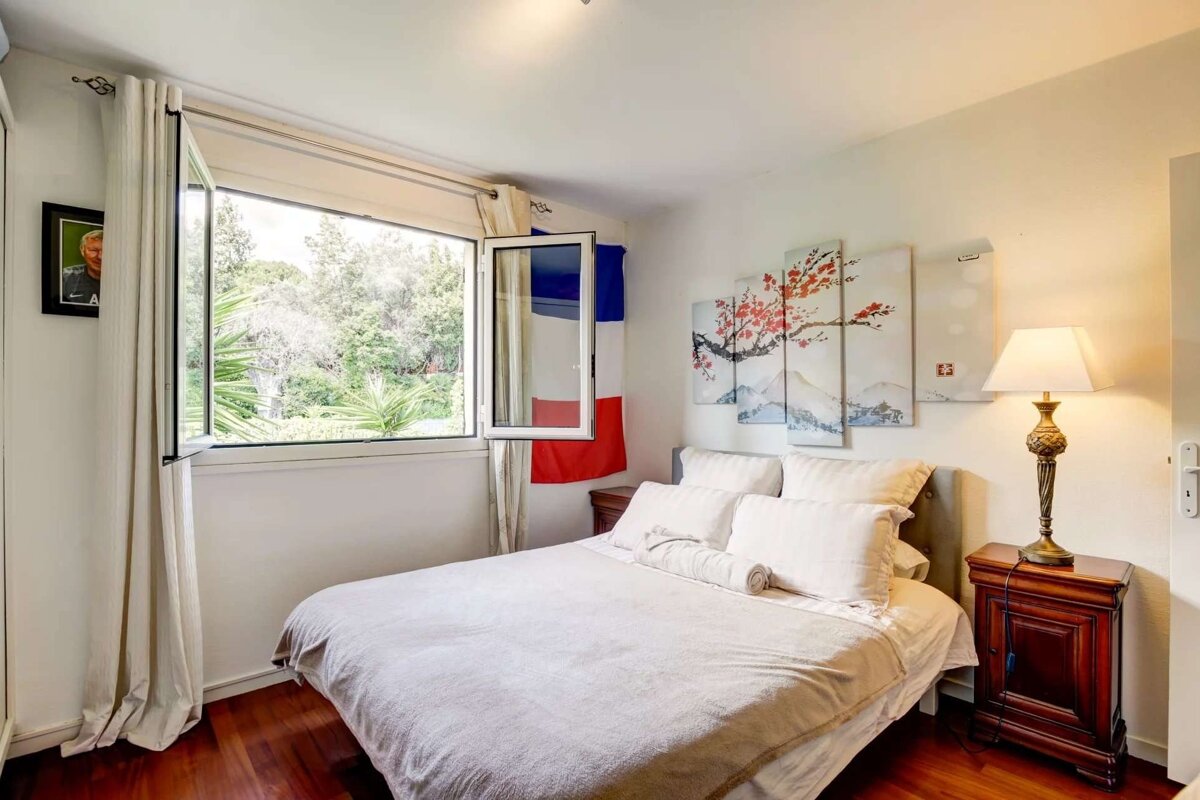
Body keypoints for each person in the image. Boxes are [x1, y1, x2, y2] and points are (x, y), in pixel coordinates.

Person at [62, 228, 102, 306]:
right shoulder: (64, 278)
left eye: (107, 251)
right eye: (94, 250)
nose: (100, 257)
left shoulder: (127, 281)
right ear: (82, 250)